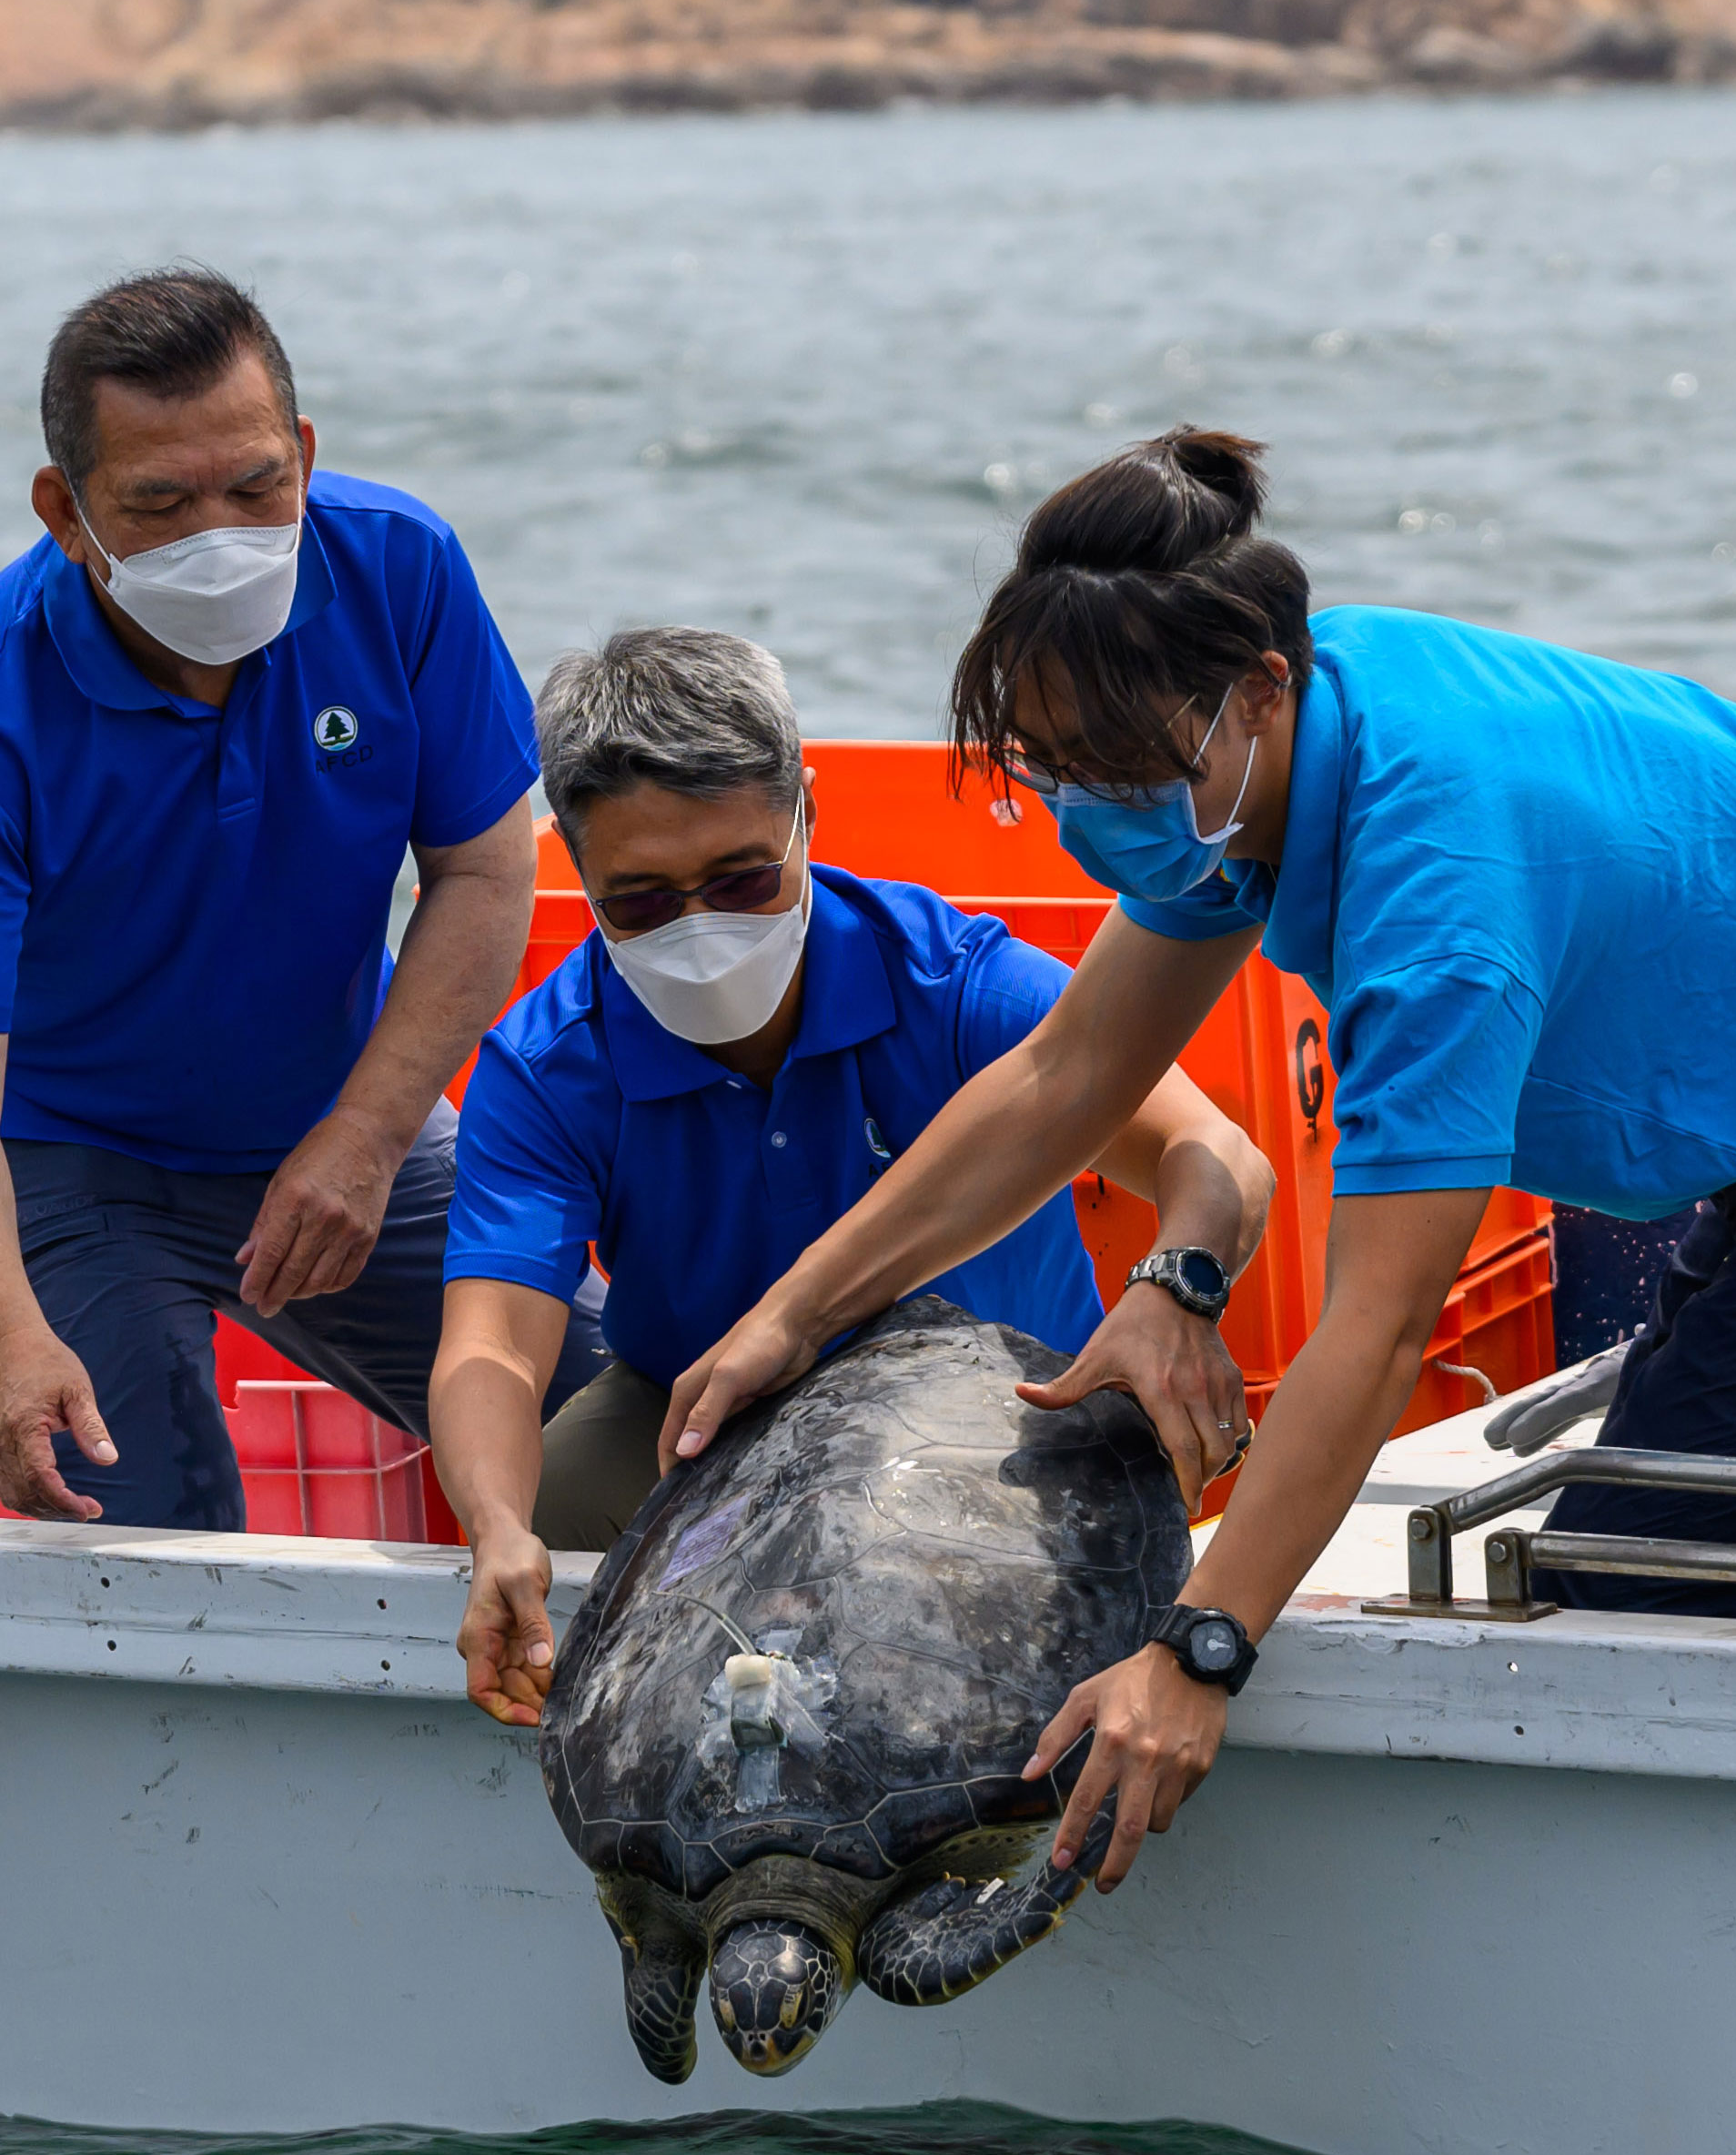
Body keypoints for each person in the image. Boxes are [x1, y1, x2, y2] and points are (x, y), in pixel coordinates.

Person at [658, 428, 1736, 1892]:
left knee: (1636, 1583)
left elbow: (1374, 1337)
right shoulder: (1256, 756)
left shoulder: (1437, 895)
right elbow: (1066, 1076)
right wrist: (795, 1313)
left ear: (1256, 691)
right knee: (1677, 1496)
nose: (1086, 806)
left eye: (1118, 765)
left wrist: (1200, 1649)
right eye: (1050, 766)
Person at [436, 627, 1276, 1728]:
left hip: (1007, 1420)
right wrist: (497, 1528)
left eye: (740, 878)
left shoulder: (952, 982)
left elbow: (1217, 1157)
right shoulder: (551, 1065)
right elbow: (493, 1340)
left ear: (807, 815)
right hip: (708, 1431)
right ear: (577, 872)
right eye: (640, 901)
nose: (699, 928)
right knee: (542, 1517)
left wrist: (1175, 1290)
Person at [0, 266, 599, 1530]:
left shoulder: (402, 569)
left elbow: (486, 871)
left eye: (257, 485)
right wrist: (11, 1343)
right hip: (80, 1159)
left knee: (618, 1427)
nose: (222, 532)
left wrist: (368, 1136)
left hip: (343, 1112)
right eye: (159, 503)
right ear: (65, 508)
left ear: (306, 452)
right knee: (123, 1523)